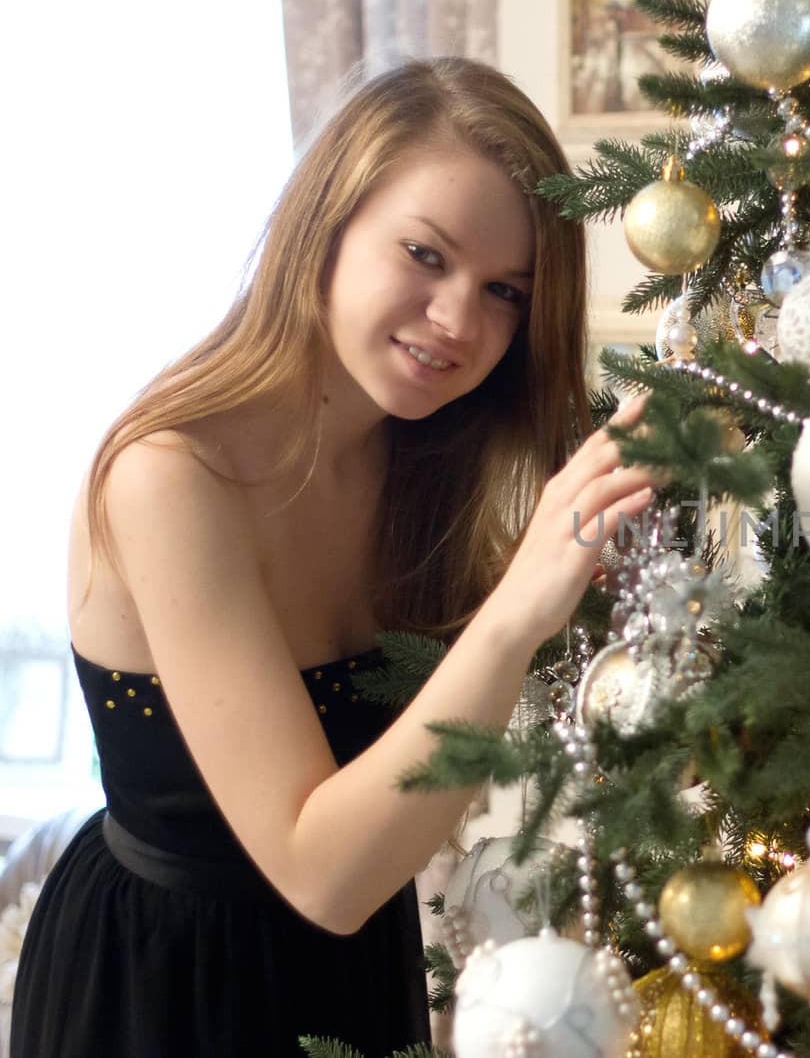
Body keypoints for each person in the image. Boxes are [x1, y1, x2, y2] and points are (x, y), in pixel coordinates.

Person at [11, 57, 658, 1056]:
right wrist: (517, 610)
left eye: (504, 292)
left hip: (356, 966)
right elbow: (321, 870)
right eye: (424, 254)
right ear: (325, 223)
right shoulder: (167, 476)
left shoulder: (428, 456)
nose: (458, 321)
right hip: (163, 989)